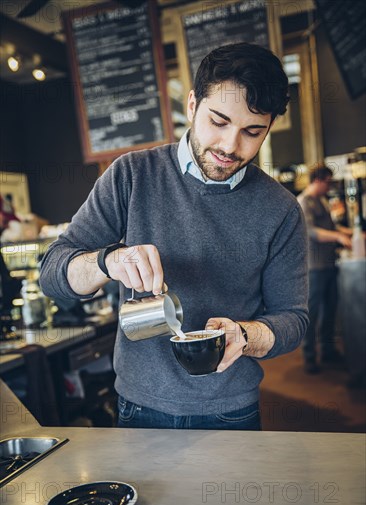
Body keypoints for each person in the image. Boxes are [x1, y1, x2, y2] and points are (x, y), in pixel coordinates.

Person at [40, 42, 309, 430]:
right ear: (192, 105)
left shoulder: (280, 209)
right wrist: (108, 261)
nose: (231, 147)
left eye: (252, 132)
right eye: (219, 122)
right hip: (138, 406)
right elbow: (53, 274)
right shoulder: (131, 175)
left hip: (230, 410)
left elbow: (293, 319)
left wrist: (245, 335)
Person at [297, 165, 352, 374]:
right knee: (312, 313)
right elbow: (312, 232)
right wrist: (339, 237)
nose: (329, 186)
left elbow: (331, 227)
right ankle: (309, 356)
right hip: (314, 267)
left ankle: (328, 350)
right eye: (327, 182)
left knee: (330, 310)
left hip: (329, 264)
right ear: (318, 180)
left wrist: (351, 232)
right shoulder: (303, 202)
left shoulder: (322, 200)